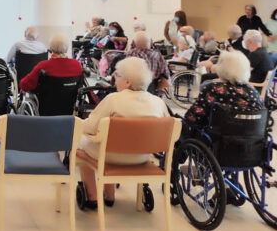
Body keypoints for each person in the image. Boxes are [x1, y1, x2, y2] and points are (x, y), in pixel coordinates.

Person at [78, 57, 169, 209]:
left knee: (81, 145)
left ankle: (92, 197)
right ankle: (109, 194)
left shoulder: (113, 99)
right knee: (106, 143)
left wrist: (79, 124)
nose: (114, 79)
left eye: (117, 75)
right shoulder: (158, 103)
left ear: (128, 82)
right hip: (142, 157)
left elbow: (90, 128)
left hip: (111, 156)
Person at [185, 51, 264, 131]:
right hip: (249, 136)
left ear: (222, 69)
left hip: (217, 136)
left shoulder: (214, 89)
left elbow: (193, 117)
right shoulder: (253, 91)